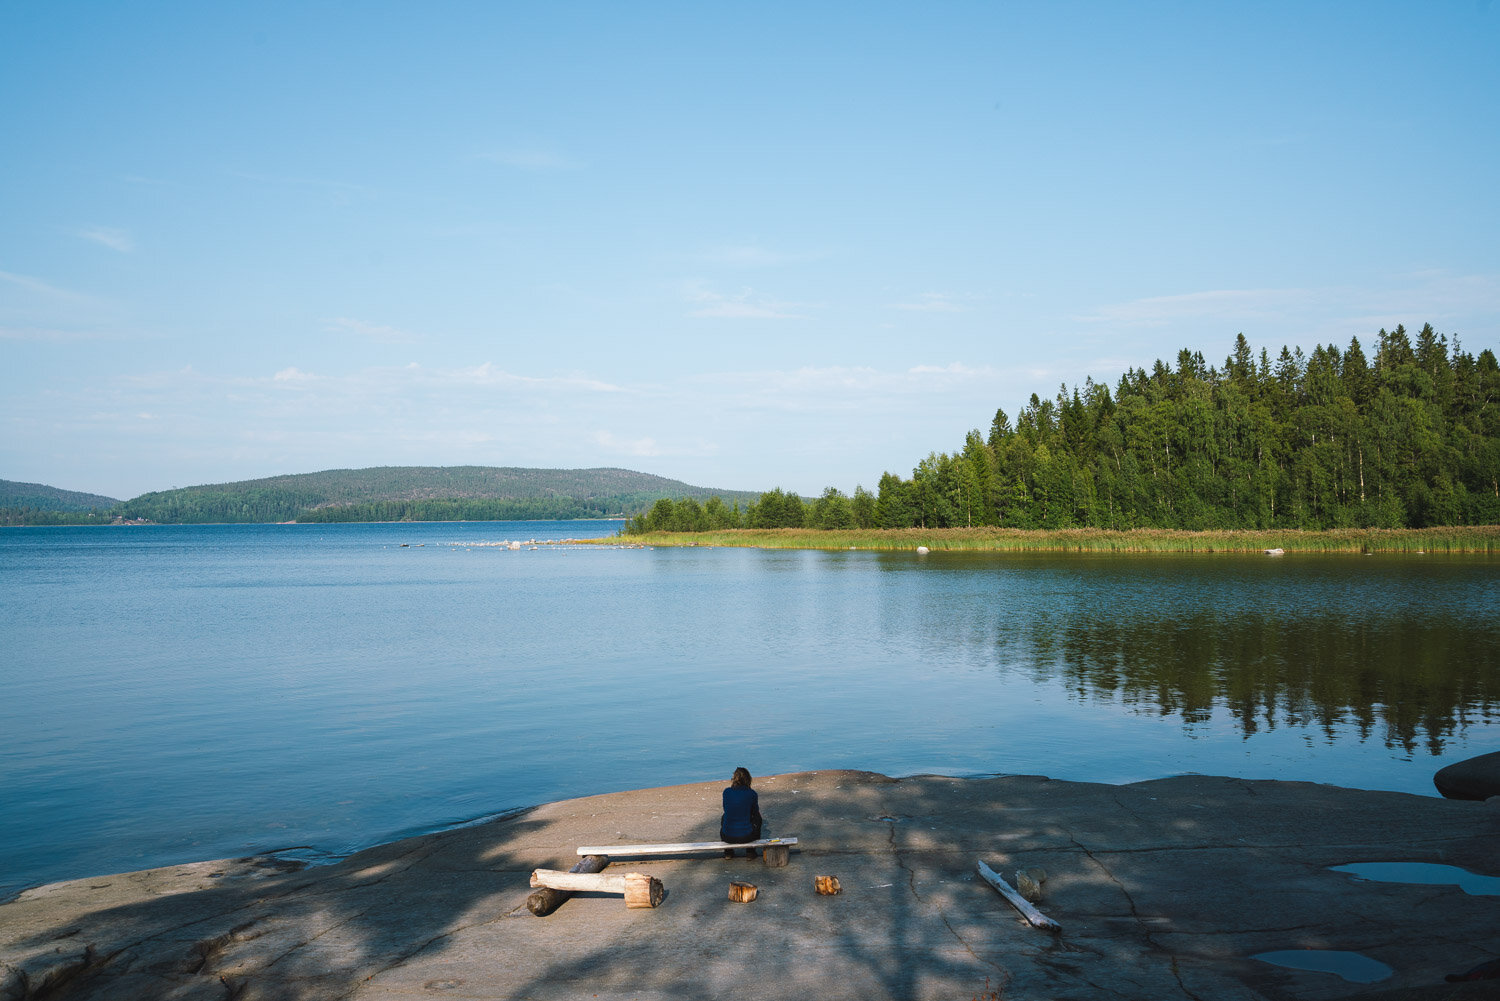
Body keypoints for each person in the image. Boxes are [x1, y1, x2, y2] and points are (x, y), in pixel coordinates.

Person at [720, 766, 763, 858]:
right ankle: (750, 851)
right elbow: (755, 812)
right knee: (758, 818)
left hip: (727, 836)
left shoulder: (726, 792)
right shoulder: (752, 793)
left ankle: (728, 852)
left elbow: (725, 809)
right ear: (748, 779)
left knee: (724, 816)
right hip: (747, 836)